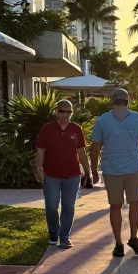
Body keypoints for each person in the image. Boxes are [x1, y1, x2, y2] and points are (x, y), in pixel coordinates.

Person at [90, 88, 138, 257]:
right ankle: (125, 240)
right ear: (127, 100)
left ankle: (125, 241)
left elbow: (95, 148)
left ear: (113, 100)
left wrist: (93, 170)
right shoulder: (107, 120)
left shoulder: (129, 119)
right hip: (119, 170)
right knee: (127, 204)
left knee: (121, 204)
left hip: (126, 169)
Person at [35, 98, 91, 248]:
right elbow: (40, 150)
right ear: (56, 112)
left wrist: (88, 171)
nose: (65, 115)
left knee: (68, 206)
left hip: (72, 175)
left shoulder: (76, 129)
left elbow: (82, 152)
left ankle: (64, 236)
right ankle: (53, 232)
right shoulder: (47, 129)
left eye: (68, 112)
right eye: (62, 111)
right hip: (51, 175)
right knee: (52, 205)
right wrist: (39, 168)